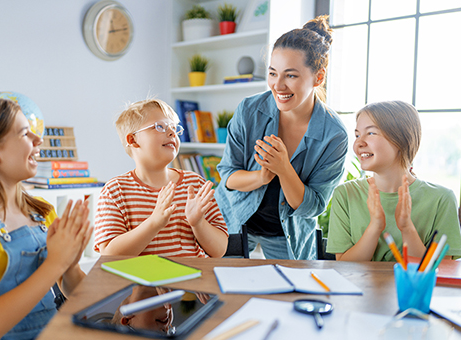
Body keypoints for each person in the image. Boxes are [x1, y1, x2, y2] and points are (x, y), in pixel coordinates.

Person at [0, 98, 92, 340]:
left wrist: (69, 266)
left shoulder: (42, 212)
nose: (39, 140)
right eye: (25, 134)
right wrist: (56, 263)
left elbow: (75, 291)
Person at [215, 15, 348, 260]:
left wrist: (284, 168)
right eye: (273, 73)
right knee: (227, 292)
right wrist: (262, 176)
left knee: (290, 295)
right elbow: (228, 176)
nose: (278, 85)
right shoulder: (249, 110)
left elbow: (313, 206)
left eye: (291, 75)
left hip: (289, 234)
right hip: (236, 218)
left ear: (318, 77)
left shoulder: (333, 135)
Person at [327, 101, 461, 261]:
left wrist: (407, 228)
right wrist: (375, 227)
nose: (359, 143)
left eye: (370, 133)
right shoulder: (346, 194)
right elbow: (344, 266)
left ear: (401, 139)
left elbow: (442, 269)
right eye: (357, 135)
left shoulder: (442, 199)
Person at [94, 98, 228, 258]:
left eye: (174, 128)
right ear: (133, 140)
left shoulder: (195, 184)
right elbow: (109, 256)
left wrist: (198, 223)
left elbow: (219, 250)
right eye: (160, 127)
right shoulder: (115, 191)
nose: (172, 132)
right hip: (142, 282)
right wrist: (154, 222)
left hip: (193, 281)